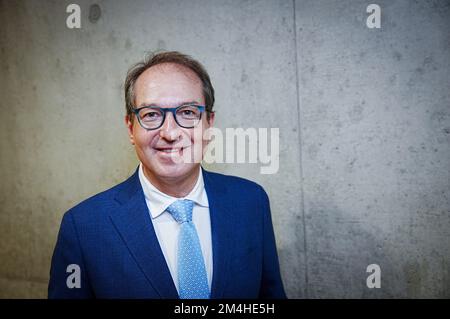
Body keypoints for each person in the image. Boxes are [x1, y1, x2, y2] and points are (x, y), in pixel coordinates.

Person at [48, 51, 286, 299]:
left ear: (208, 123)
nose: (170, 133)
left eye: (187, 112)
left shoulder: (251, 202)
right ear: (131, 128)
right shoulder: (84, 227)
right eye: (151, 114)